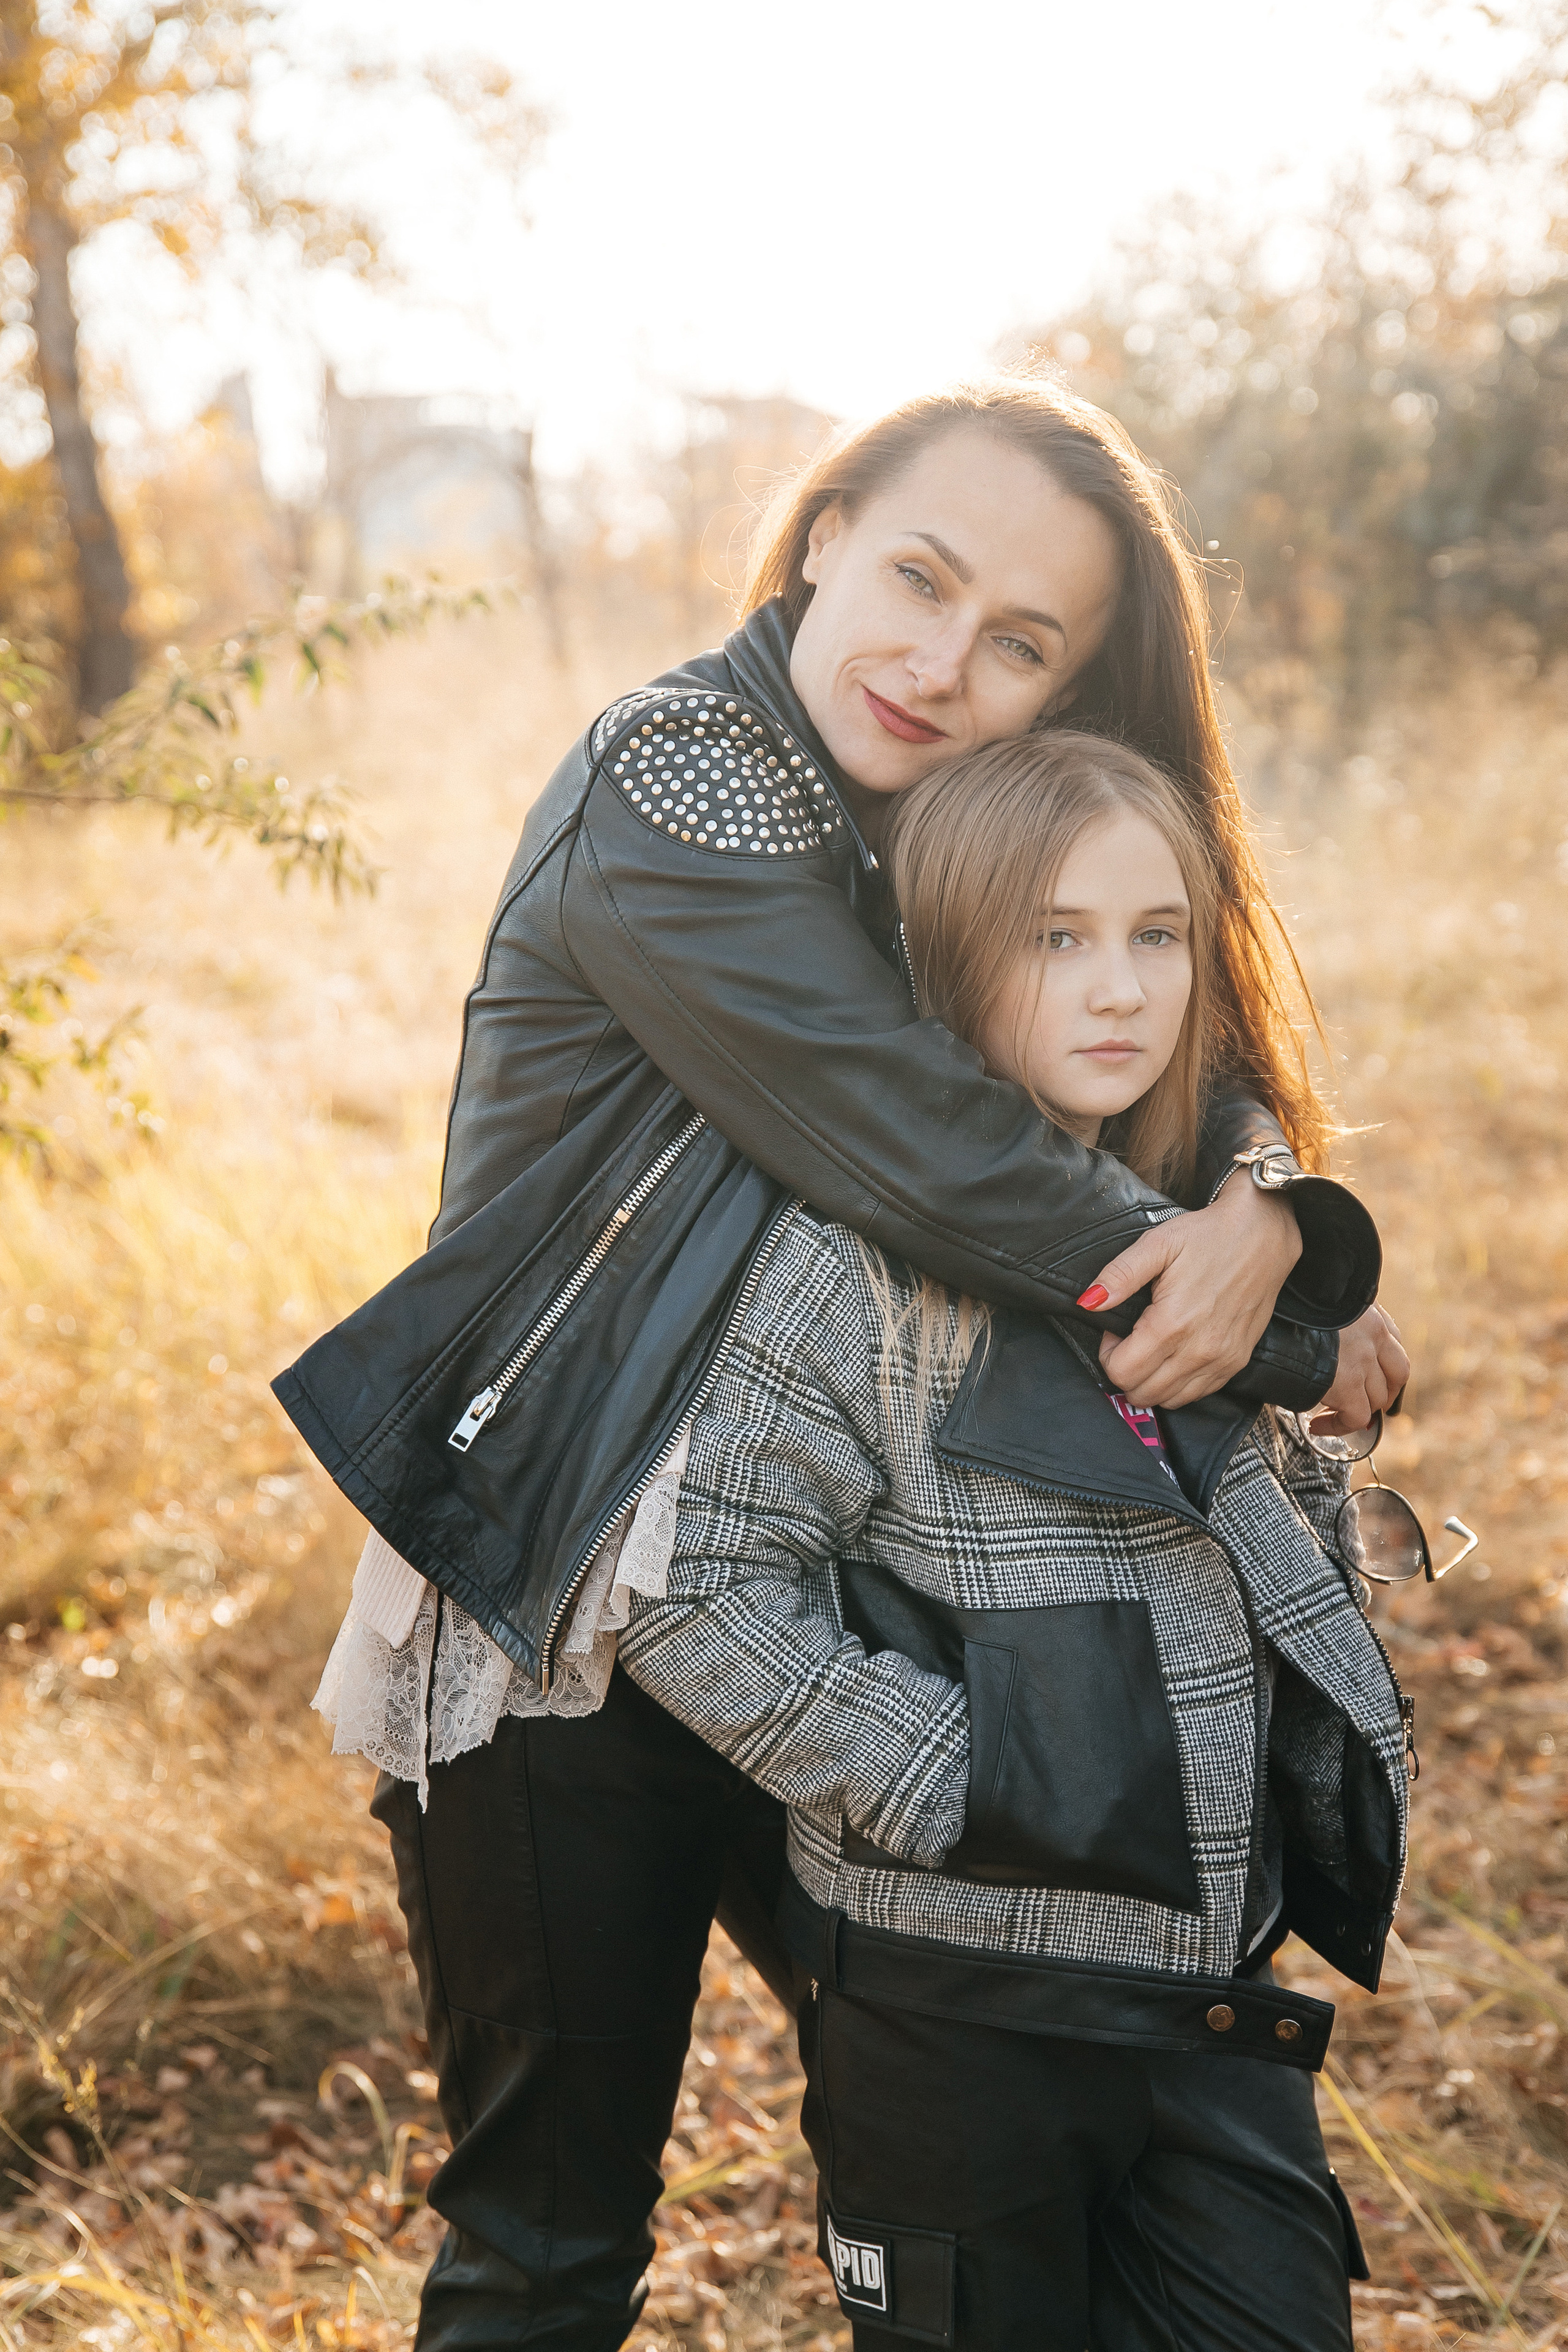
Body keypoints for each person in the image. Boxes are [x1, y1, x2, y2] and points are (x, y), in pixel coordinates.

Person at [276, 376, 1407, 2348]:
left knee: (1004, 2139)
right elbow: (919, 1129)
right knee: (550, 2246)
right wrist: (1265, 1305)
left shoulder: (952, 838)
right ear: (822, 532)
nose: (940, 661)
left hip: (863, 1589)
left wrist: (1271, 1198)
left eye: (1019, 644)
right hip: (576, 1617)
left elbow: (1142, 1012)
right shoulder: (682, 774)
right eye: (918, 576)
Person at [619, 730, 1408, 2351]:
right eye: (1057, 939)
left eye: (1155, 934)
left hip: (1208, 1996)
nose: (1118, 987)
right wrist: (973, 1779)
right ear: (958, 956)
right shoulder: (845, 1270)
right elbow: (699, 1598)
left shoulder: (1210, 1235)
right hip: (950, 2018)